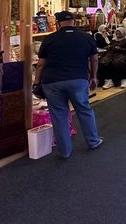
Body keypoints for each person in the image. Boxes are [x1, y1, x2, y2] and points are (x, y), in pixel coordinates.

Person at [34, 11, 102, 159]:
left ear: (58, 23)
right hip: (78, 79)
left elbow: (40, 64)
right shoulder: (86, 37)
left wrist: (37, 83)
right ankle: (93, 141)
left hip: (52, 81)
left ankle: (65, 151)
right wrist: (94, 77)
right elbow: (94, 59)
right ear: (74, 22)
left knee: (59, 115)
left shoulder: (49, 39)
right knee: (84, 110)